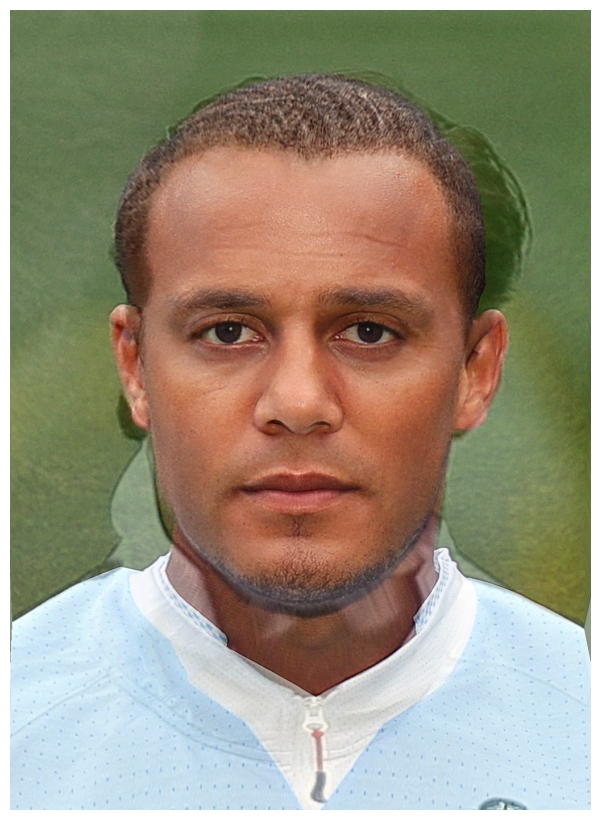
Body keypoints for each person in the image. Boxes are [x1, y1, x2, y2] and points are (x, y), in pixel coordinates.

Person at [11, 74, 589, 811]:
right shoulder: (20, 719)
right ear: (136, 368)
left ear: (475, 371)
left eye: (369, 332)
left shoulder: (578, 714)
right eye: (227, 332)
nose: (298, 403)